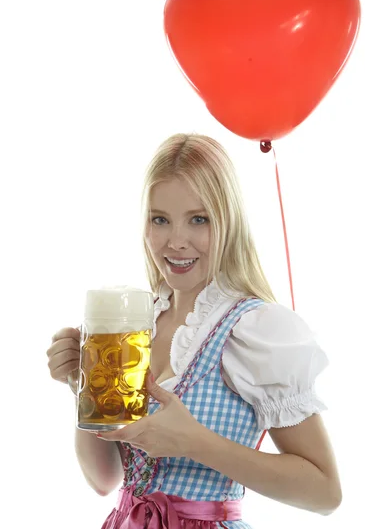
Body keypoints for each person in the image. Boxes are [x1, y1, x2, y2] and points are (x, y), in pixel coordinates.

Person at [47, 133, 342, 528]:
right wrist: (80, 387)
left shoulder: (254, 329)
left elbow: (325, 493)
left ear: (228, 222)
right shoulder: (137, 325)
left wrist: (196, 443)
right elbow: (105, 480)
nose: (176, 241)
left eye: (198, 219)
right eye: (160, 220)